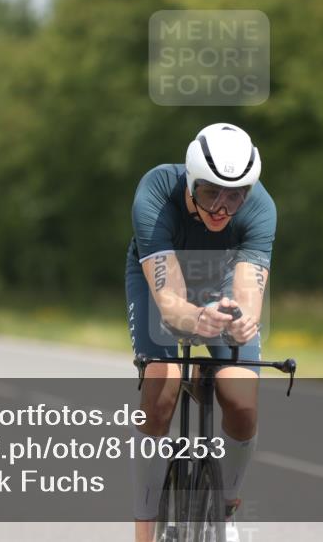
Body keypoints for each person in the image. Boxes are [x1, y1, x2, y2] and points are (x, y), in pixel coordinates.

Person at [126, 123, 275, 542]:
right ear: (191, 182)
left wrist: (242, 321)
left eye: (235, 196)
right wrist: (197, 320)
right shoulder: (156, 191)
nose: (222, 208)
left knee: (242, 401)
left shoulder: (261, 207)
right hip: (161, 281)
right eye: (211, 193)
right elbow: (171, 303)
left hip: (220, 280)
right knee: (162, 387)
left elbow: (247, 296)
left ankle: (225, 507)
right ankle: (144, 523)